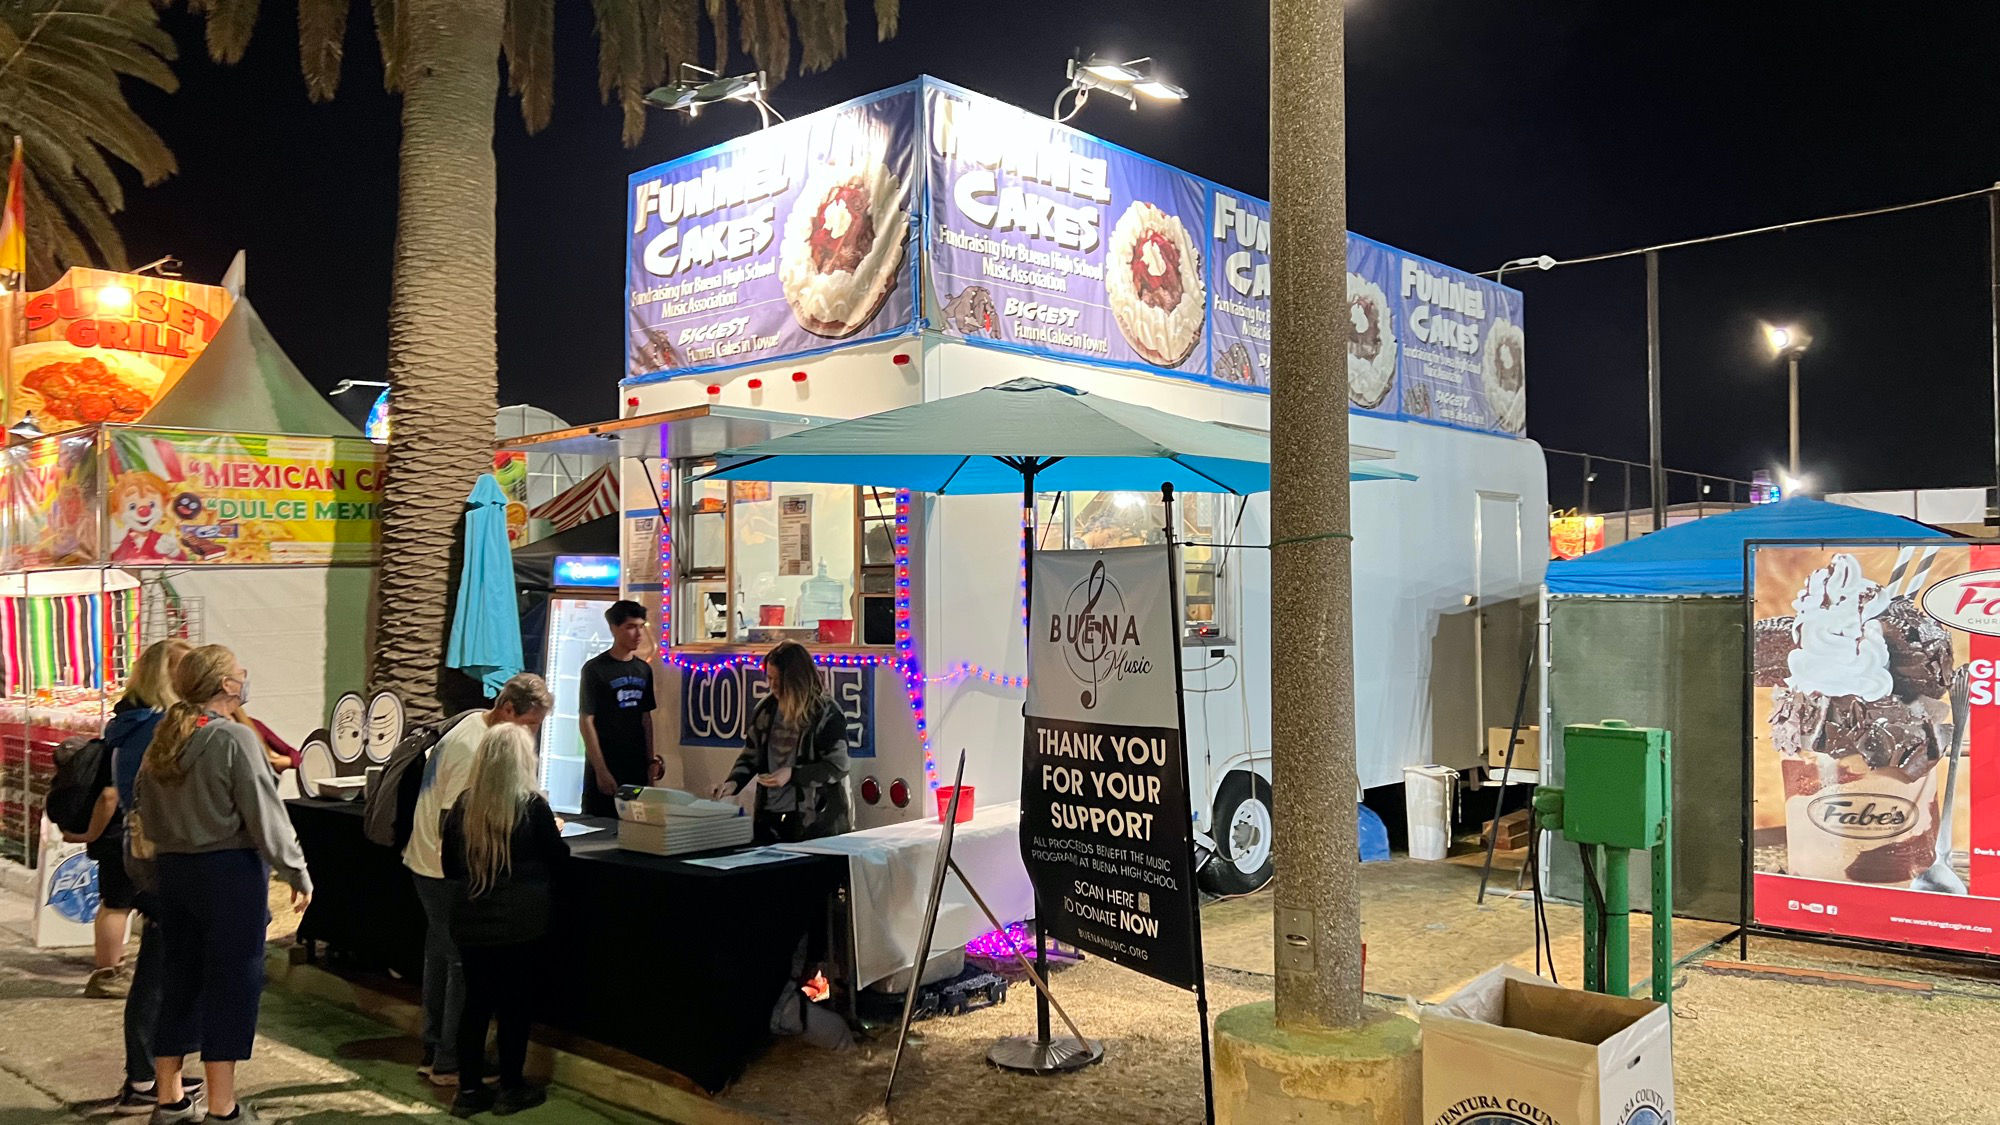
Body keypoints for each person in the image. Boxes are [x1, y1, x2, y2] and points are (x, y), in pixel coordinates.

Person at [132, 645, 311, 1125]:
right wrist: (296, 869)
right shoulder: (233, 739)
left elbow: (143, 814)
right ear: (225, 686)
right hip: (228, 875)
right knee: (232, 986)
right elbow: (263, 812)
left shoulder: (163, 739)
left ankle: (168, 1099)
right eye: (238, 674)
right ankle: (222, 1107)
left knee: (180, 981)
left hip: (174, 875)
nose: (243, 679)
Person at [64, 639, 196, 1114]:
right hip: (161, 861)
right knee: (159, 972)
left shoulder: (129, 723)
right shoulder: (154, 730)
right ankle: (147, 1079)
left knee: (160, 968)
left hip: (144, 855)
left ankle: (158, 1074)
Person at [402, 674, 552, 1090]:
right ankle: (449, 1060)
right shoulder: (476, 748)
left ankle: (435, 1049)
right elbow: (458, 821)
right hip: (442, 870)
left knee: (440, 957)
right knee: (460, 967)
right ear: (508, 711)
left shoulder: (470, 725)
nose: (532, 734)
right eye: (532, 724)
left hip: (427, 862)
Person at [441, 724, 566, 1117]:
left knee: (475, 1005)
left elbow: (448, 867)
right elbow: (558, 860)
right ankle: (512, 1087)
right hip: (520, 923)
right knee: (514, 1007)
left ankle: (469, 1090)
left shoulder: (465, 806)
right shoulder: (531, 806)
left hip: (472, 920)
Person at [711, 642, 852, 843]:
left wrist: (793, 774)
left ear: (797, 680)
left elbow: (838, 766)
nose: (773, 686)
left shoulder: (826, 713)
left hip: (815, 824)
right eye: (770, 679)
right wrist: (733, 782)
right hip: (769, 820)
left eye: (779, 680)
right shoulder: (765, 710)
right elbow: (751, 755)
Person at [578, 601, 659, 818]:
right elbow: (586, 721)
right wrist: (601, 770)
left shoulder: (644, 669)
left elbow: (646, 718)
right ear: (614, 628)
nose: (638, 633)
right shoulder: (595, 670)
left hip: (636, 762)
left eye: (642, 626)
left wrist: (650, 762)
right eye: (631, 627)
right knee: (600, 822)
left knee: (637, 820)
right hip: (607, 759)